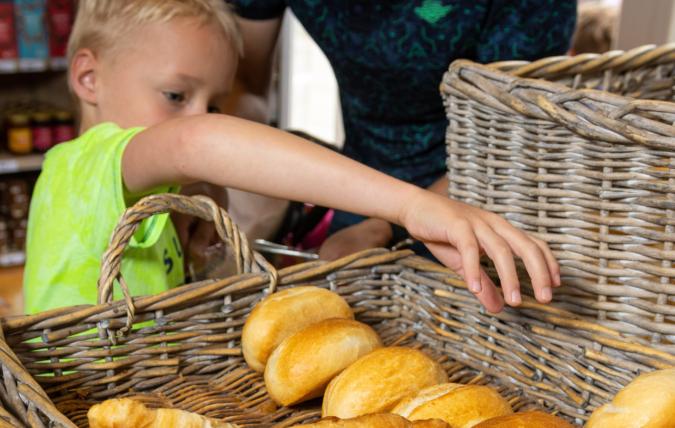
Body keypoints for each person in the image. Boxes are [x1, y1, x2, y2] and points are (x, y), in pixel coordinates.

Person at [23, 0, 560, 317]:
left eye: (212, 102)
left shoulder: (138, 186)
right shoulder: (87, 163)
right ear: (88, 78)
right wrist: (410, 206)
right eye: (175, 96)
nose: (197, 116)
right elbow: (197, 142)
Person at [226, 0, 577, 259]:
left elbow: (512, 136)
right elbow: (244, 85)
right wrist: (236, 202)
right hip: (359, 186)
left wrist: (387, 225)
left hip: (482, 191)